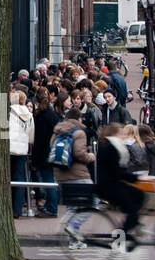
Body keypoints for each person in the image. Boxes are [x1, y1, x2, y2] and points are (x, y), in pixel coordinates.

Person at [96, 123, 145, 244]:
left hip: (114, 183)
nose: (123, 136)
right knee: (132, 209)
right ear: (114, 134)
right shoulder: (110, 148)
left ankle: (133, 223)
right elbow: (116, 172)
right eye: (121, 133)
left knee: (140, 195)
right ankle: (120, 236)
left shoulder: (115, 146)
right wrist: (137, 178)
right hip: (108, 186)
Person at [53, 108, 96, 241]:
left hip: (60, 174)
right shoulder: (79, 132)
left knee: (72, 207)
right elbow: (79, 154)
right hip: (78, 175)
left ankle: (72, 241)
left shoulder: (57, 132)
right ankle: (72, 225)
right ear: (79, 119)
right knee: (93, 203)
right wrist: (90, 156)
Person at [30, 89, 61, 217]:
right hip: (51, 151)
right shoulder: (52, 115)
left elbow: (39, 140)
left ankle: (52, 208)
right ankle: (51, 205)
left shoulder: (40, 116)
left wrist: (35, 159)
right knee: (49, 180)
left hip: (43, 154)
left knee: (47, 181)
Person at [8, 89, 34, 217]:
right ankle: (17, 209)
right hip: (22, 150)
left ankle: (7, 207)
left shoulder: (8, 113)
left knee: (6, 179)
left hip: (9, 149)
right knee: (19, 179)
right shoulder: (29, 115)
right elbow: (31, 135)